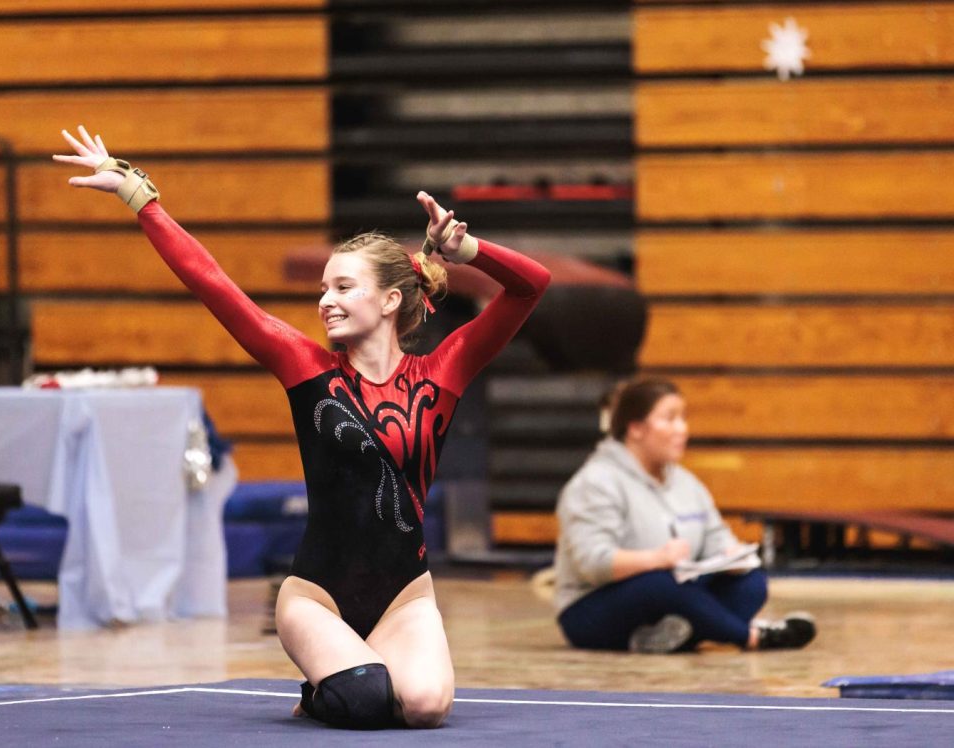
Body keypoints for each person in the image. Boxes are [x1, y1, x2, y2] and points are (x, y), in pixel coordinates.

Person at [55, 126, 551, 729]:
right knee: (369, 702)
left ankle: (342, 677)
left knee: (423, 706)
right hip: (317, 595)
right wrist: (142, 200)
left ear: (391, 300)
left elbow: (533, 286)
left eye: (344, 287)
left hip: (404, 594)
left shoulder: (442, 373)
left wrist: (470, 252)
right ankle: (329, 684)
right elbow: (215, 286)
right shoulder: (306, 369)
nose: (326, 301)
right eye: (323, 288)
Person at [554, 377, 817, 653]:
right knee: (659, 585)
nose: (682, 429)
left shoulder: (687, 484)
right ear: (636, 428)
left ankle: (663, 638)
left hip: (674, 596)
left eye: (683, 418)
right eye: (670, 419)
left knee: (750, 581)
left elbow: (716, 537)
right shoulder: (595, 482)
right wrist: (655, 559)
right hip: (591, 610)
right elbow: (594, 563)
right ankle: (751, 636)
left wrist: (732, 556)